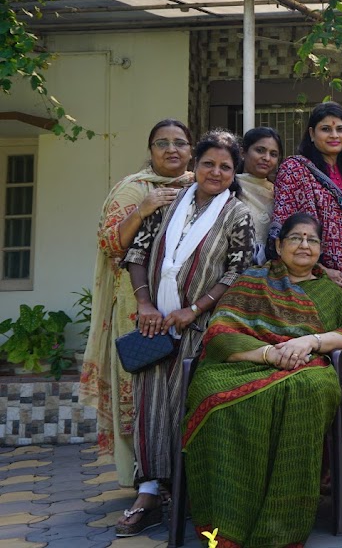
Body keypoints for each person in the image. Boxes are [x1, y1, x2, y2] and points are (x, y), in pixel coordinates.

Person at [183, 212, 342, 547]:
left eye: (312, 240)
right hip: (244, 362)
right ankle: (227, 521)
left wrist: (309, 342)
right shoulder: (252, 281)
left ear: (321, 249)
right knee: (217, 398)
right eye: (296, 238)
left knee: (308, 390)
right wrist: (268, 354)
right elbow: (220, 332)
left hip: (305, 365)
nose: (304, 245)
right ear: (279, 245)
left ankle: (279, 524)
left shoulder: (330, 292)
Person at [116, 130, 253, 537]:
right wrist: (145, 304)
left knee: (184, 404)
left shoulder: (238, 215)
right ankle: (148, 493)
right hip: (154, 324)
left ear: (234, 172)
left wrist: (193, 309)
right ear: (196, 165)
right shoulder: (167, 203)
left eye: (225, 166)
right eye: (209, 163)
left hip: (198, 328)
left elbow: (237, 272)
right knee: (149, 404)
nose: (216, 172)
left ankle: (183, 491)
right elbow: (137, 253)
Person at [80, 119, 194, 490]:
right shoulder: (134, 189)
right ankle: (143, 476)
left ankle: (180, 477)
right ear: (150, 150)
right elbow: (111, 244)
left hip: (185, 305)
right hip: (138, 305)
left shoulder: (200, 184)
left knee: (181, 389)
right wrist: (142, 210)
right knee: (140, 384)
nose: (172, 149)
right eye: (162, 143)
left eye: (179, 142)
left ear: (191, 149)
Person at [270, 102, 342, 308]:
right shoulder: (294, 169)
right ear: (312, 134)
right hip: (306, 279)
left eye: (340, 129)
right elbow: (283, 231)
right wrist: (321, 270)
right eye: (325, 129)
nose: (334, 135)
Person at [236, 126, 282, 264]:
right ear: (243, 153)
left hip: (270, 268)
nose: (266, 158)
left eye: (273, 154)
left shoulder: (280, 193)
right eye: (260, 150)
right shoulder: (229, 186)